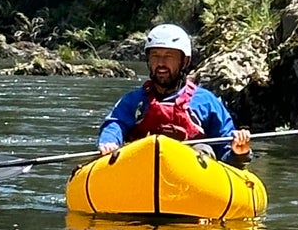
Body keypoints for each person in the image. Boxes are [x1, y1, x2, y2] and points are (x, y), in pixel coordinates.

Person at [96, 23, 252, 167]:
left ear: (184, 61)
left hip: (193, 173)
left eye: (169, 56)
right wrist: (109, 142)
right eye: (155, 56)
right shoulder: (134, 101)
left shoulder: (205, 102)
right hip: (142, 167)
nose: (161, 63)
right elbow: (115, 125)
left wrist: (238, 153)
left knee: (202, 148)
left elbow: (225, 152)